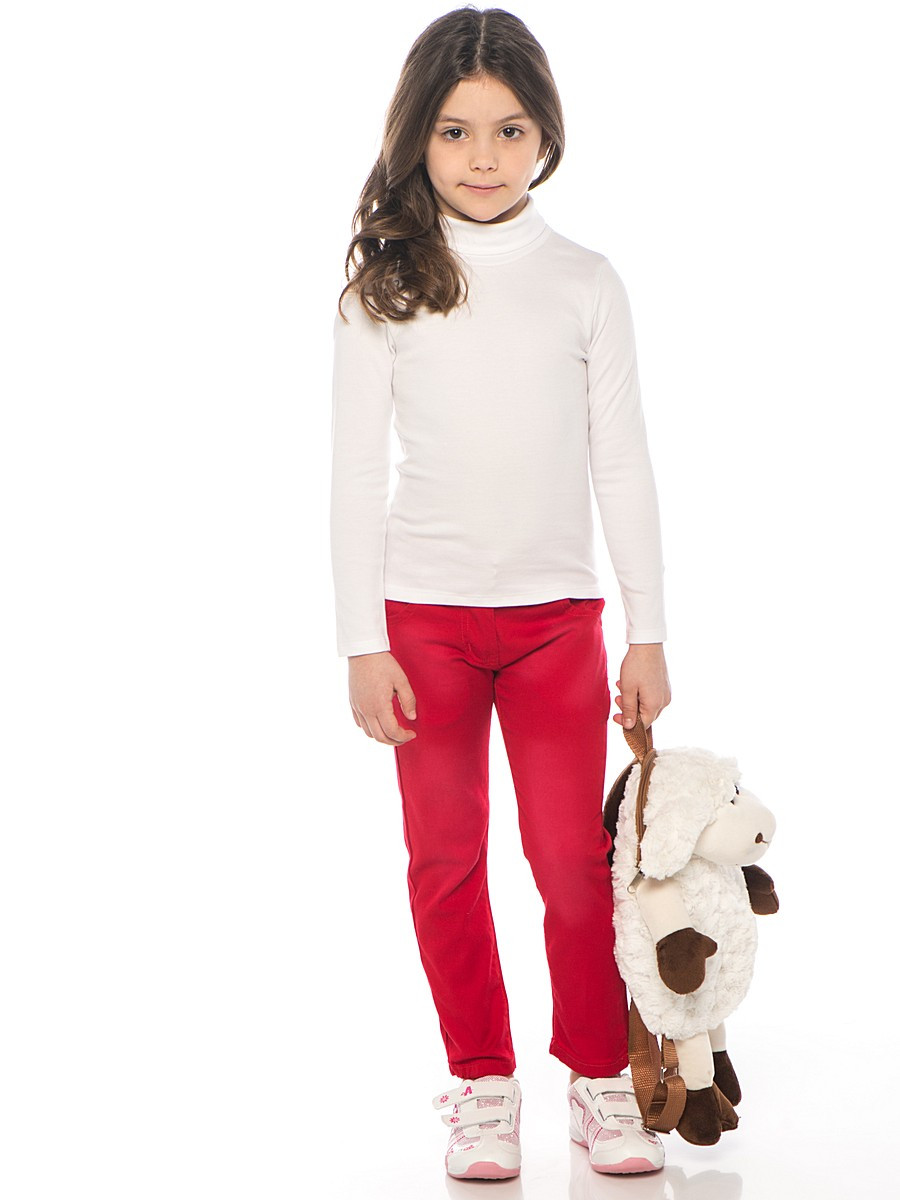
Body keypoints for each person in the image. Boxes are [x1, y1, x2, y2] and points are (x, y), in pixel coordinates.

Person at [329, 5, 672, 1182]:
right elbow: (354, 476)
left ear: (546, 136)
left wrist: (648, 630)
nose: (483, 157)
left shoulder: (585, 283)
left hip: (556, 624)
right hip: (421, 623)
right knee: (444, 860)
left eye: (509, 129)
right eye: (455, 131)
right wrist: (361, 641)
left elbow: (623, 464)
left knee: (573, 863)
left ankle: (598, 1077)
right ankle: (481, 1083)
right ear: (417, 137)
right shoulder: (383, 287)